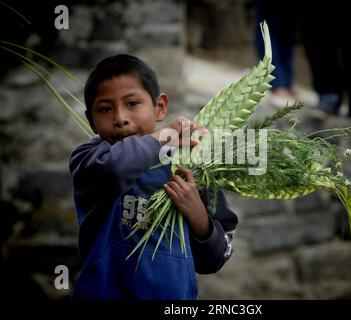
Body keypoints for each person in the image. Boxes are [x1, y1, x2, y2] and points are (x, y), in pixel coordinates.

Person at [69, 54, 238, 300]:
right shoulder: (90, 159)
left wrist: (198, 216)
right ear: (91, 121)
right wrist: (164, 137)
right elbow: (115, 169)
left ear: (159, 107)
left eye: (132, 104)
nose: (120, 118)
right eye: (105, 109)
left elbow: (214, 259)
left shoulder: (191, 167)